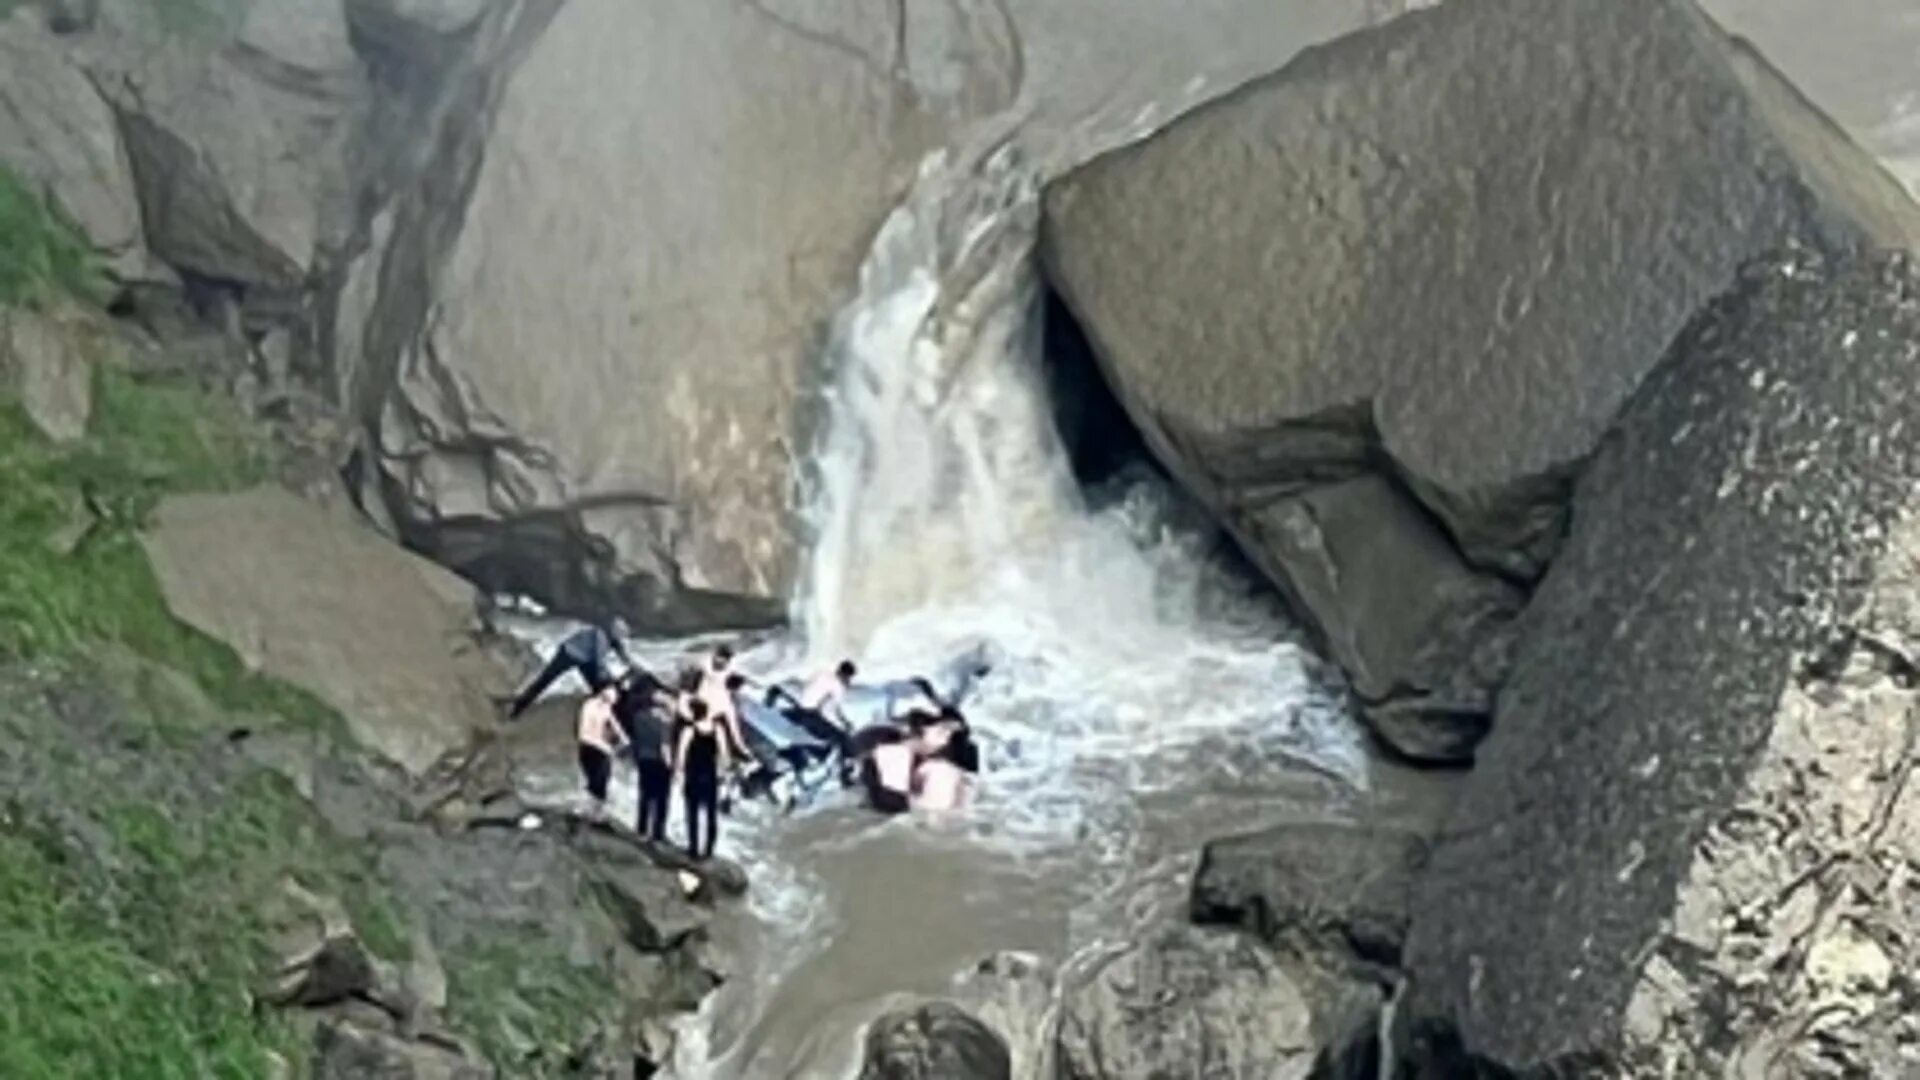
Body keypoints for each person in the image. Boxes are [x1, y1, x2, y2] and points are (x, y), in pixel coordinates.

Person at [507, 617, 634, 718]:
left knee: (599, 687)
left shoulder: (611, 641)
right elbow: (598, 661)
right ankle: (518, 708)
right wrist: (608, 677)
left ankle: (600, 711)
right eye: (621, 636)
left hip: (584, 658)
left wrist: (635, 667)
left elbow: (624, 657)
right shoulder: (600, 637)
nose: (622, 640)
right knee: (545, 680)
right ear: (614, 633)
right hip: (569, 653)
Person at [615, 670, 674, 841]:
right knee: (662, 799)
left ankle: (641, 829)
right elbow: (664, 746)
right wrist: (673, 767)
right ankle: (658, 833)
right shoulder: (663, 721)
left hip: (643, 758)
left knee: (645, 795)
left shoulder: (638, 716)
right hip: (660, 761)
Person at [674, 697, 729, 860]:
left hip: (693, 774)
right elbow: (724, 755)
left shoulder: (688, 731)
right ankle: (709, 850)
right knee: (711, 814)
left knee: (692, 813)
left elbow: (680, 756)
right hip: (710, 774)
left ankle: (693, 849)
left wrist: (679, 774)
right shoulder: (718, 729)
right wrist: (723, 774)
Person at [576, 683, 626, 821]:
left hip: (600, 748)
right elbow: (583, 734)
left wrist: (623, 738)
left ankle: (597, 813)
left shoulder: (606, 708)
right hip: (589, 747)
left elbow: (615, 724)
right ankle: (587, 811)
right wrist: (603, 746)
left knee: (603, 780)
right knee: (594, 780)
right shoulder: (590, 706)